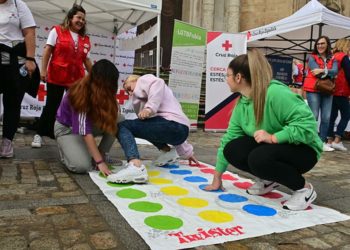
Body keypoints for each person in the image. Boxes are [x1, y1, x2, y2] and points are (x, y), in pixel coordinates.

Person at [205, 49, 323, 211]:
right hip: (276, 150)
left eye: (228, 75)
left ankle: (304, 189)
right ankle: (269, 179)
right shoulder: (242, 103)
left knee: (258, 158)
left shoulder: (275, 93)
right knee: (232, 149)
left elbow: (308, 126)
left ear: (238, 78)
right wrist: (217, 177)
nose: (226, 80)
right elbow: (229, 139)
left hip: (305, 150)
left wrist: (274, 137)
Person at [107, 74, 199, 183]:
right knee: (144, 125)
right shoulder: (157, 100)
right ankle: (168, 152)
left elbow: (158, 82)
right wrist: (187, 153)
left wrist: (149, 108)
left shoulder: (144, 80)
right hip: (180, 130)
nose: (130, 93)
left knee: (122, 126)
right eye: (128, 93)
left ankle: (135, 165)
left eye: (128, 88)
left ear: (135, 80)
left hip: (171, 125)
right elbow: (176, 127)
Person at [31, 4, 92, 148]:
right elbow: (47, 51)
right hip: (56, 76)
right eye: (78, 17)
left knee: (75, 107)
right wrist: (43, 71)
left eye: (83, 19)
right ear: (70, 18)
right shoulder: (57, 30)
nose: (81, 21)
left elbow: (86, 60)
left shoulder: (85, 39)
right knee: (52, 106)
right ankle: (39, 134)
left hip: (76, 80)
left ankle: (73, 136)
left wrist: (96, 76)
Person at [54, 59, 119, 176]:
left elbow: (109, 115)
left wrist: (99, 156)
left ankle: (101, 153)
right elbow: (85, 132)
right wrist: (100, 162)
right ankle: (67, 150)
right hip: (67, 129)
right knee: (82, 166)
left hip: (86, 125)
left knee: (119, 119)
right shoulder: (81, 92)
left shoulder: (104, 90)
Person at [0, 0, 37, 158]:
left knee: (12, 103)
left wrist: (30, 58)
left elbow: (29, 32)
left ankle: (7, 143)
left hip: (15, 62)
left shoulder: (18, 4)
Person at [303, 35, 338, 152]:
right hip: (313, 89)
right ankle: (311, 141)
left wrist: (323, 70)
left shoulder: (333, 58)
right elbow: (315, 72)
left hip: (327, 90)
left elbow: (335, 71)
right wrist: (328, 72)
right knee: (314, 115)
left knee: (326, 117)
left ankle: (321, 141)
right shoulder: (312, 57)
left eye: (322, 43)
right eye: (318, 44)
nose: (320, 46)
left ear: (327, 44)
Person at [326, 38, 350, 151]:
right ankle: (337, 140)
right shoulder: (344, 57)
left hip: (331, 90)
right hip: (341, 90)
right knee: (346, 115)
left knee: (332, 116)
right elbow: (349, 76)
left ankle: (329, 141)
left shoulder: (332, 56)